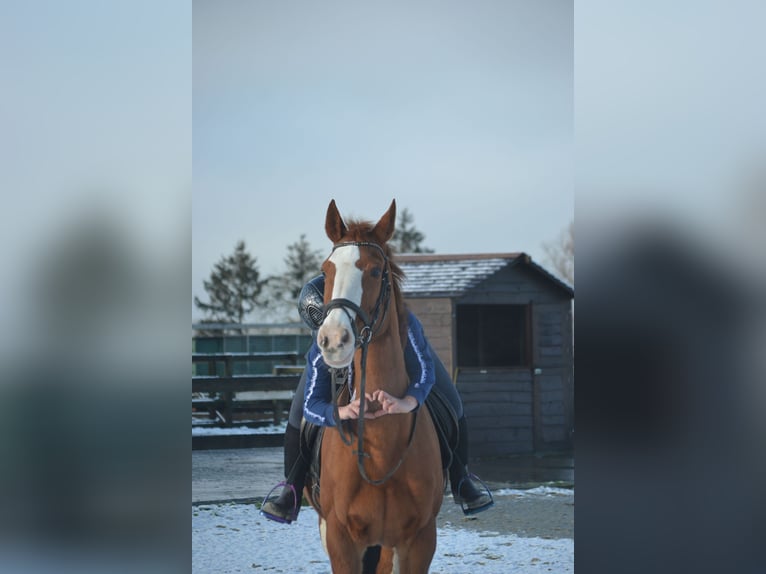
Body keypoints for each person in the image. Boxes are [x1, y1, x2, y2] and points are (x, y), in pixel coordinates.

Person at [261, 276, 492, 523]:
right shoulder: (324, 342)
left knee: (452, 402)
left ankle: (461, 478)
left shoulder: (399, 318)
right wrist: (339, 412)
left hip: (398, 348)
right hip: (337, 360)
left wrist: (410, 400)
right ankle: (292, 488)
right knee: (297, 414)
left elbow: (424, 372)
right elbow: (311, 406)